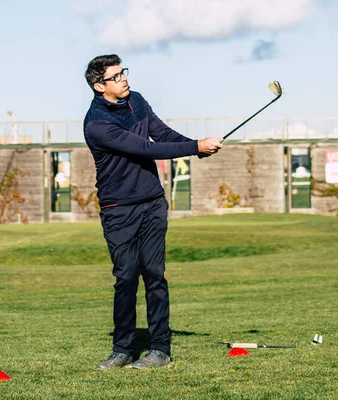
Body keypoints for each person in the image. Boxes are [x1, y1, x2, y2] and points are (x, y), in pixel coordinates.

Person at [83, 54, 223, 370]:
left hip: (151, 203)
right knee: (126, 277)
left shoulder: (138, 101)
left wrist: (196, 147)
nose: (124, 79)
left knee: (155, 275)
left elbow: (163, 135)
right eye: (115, 76)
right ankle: (123, 349)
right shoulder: (97, 124)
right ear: (99, 85)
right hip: (118, 209)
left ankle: (159, 349)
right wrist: (196, 146)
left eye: (123, 72)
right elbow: (146, 149)